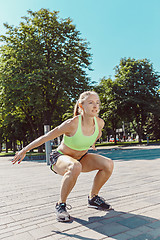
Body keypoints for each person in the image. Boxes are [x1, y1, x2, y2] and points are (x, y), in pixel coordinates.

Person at [12, 91, 114, 222]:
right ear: (81, 106)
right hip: (60, 158)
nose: (95, 106)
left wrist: (93, 142)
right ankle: (60, 205)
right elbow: (46, 137)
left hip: (82, 157)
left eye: (97, 103)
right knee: (74, 166)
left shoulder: (99, 123)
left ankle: (93, 198)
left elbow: (98, 134)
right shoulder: (71, 124)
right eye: (90, 103)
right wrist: (24, 150)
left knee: (108, 164)